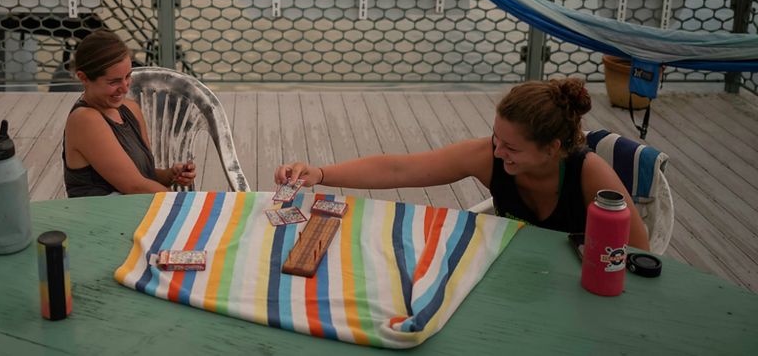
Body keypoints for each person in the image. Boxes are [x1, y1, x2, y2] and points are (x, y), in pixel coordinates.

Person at [275, 78, 650, 250]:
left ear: (552, 149)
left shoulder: (590, 175)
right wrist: (321, 173)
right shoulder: (488, 155)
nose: (498, 152)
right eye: (496, 138)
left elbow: (638, 252)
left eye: (512, 148)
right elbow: (399, 170)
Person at [63, 30, 195, 197]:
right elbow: (134, 187)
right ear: (83, 78)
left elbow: (144, 176)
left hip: (132, 210)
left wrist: (171, 175)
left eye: (128, 76)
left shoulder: (130, 109)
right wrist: (184, 203)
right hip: (101, 218)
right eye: (114, 81)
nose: (125, 87)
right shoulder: (85, 120)